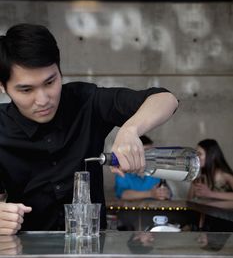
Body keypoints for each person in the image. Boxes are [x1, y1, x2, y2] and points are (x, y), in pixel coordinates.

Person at [0, 23, 178, 235]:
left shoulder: (86, 101)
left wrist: (130, 130)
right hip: (25, 255)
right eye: (26, 89)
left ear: (59, 70)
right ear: (3, 87)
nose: (43, 100)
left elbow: (166, 99)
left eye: (50, 82)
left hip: (91, 250)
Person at [115, 135, 171, 200]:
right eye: (146, 151)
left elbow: (168, 194)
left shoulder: (157, 170)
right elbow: (122, 194)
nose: (150, 155)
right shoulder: (123, 171)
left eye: (152, 151)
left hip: (153, 209)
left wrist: (165, 193)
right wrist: (150, 194)